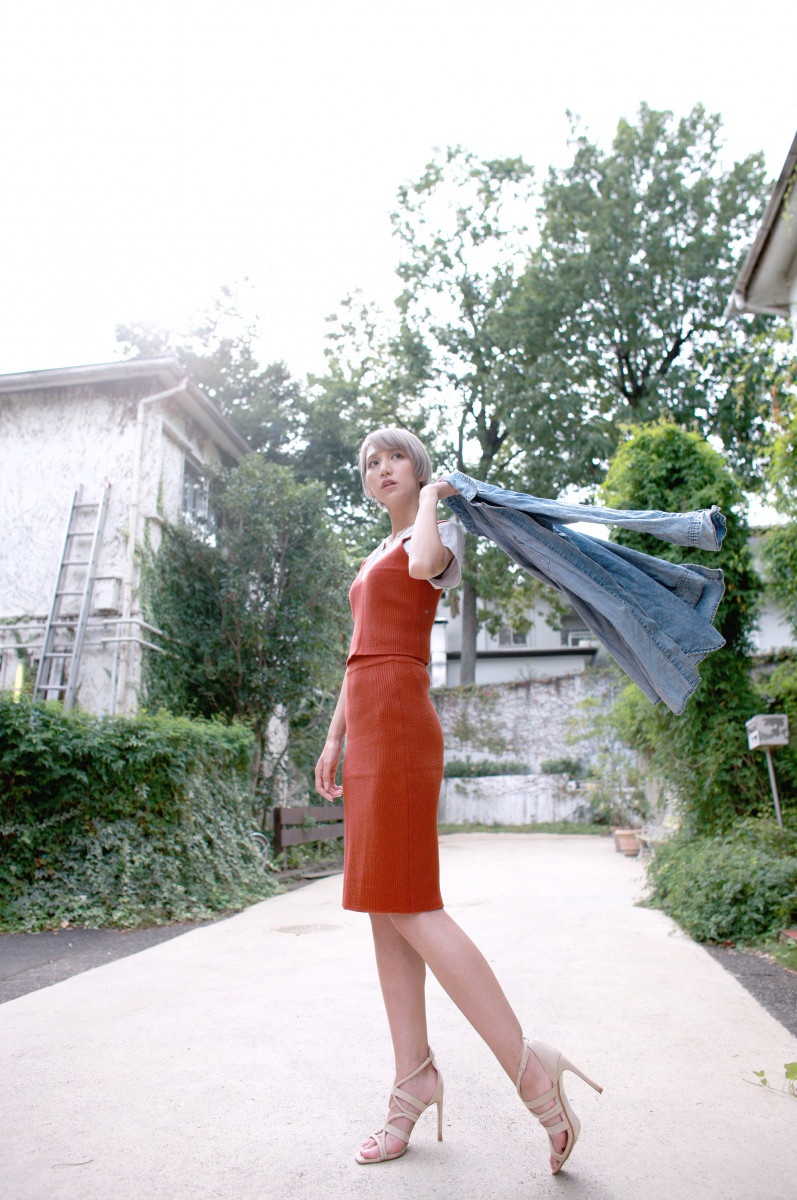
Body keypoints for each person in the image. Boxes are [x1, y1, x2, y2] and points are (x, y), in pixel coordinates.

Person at [314, 428, 602, 1173]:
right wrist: (333, 737)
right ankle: (412, 1078)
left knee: (412, 906)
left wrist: (435, 500)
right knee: (383, 909)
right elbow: (356, 653)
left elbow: (422, 567)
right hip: (367, 724)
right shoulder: (370, 555)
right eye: (370, 461)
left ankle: (532, 1072)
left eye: (395, 457)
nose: (381, 468)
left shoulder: (434, 542)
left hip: (401, 722)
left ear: (420, 470)